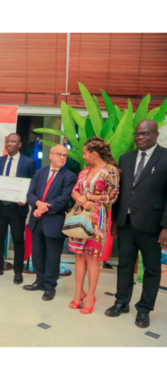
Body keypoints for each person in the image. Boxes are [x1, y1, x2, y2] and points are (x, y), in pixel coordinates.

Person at [106, 120, 167, 328]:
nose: (140, 137)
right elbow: (120, 192)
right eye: (137, 133)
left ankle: (144, 309)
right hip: (126, 223)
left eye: (145, 133)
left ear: (156, 134)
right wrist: (115, 220)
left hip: (153, 225)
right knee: (123, 265)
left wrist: (166, 227)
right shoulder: (126, 158)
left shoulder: (166, 157)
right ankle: (121, 302)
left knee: (151, 269)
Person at [68, 137, 120, 314]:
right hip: (80, 217)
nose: (83, 156)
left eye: (85, 153)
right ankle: (78, 293)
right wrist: (80, 199)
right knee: (79, 255)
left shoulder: (111, 171)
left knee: (91, 257)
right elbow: (74, 191)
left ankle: (90, 296)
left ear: (94, 154)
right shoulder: (84, 171)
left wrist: (91, 198)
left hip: (97, 219)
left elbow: (112, 197)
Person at [23, 145, 77, 300]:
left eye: (65, 155)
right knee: (38, 254)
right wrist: (38, 204)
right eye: (59, 154)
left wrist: (42, 208)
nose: (62, 157)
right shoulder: (40, 173)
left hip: (54, 220)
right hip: (37, 220)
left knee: (53, 256)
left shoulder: (70, 176)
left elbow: (63, 199)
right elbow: (30, 193)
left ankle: (50, 286)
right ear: (51, 156)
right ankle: (39, 281)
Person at [0, 133, 37, 284]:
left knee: (18, 240)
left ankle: (18, 271)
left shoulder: (29, 162)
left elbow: (33, 185)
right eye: (7, 141)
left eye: (13, 141)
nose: (9, 143)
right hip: (0, 207)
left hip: (18, 208)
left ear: (20, 144)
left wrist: (26, 198)